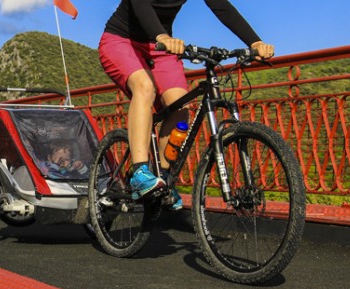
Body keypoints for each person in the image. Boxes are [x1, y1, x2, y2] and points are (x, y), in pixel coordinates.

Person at [98, 0, 275, 209]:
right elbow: (140, 4)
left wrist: (254, 42)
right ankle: (139, 171)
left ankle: (163, 178)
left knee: (180, 104)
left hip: (160, 47)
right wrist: (161, 35)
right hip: (121, 40)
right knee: (144, 87)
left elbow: (222, 6)